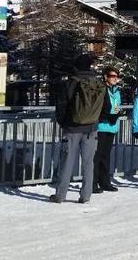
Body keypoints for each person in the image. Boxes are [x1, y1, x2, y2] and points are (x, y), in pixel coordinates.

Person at [50, 54, 106, 204]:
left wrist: (63, 122)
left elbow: (61, 105)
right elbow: (105, 106)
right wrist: (96, 120)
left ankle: (60, 195)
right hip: (92, 129)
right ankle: (86, 195)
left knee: (67, 162)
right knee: (88, 163)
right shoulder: (97, 83)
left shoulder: (70, 83)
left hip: (72, 128)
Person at [92, 66, 122, 194]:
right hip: (101, 126)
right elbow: (99, 108)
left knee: (106, 156)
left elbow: (116, 106)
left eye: (116, 76)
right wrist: (109, 116)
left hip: (112, 126)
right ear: (106, 77)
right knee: (97, 156)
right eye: (112, 76)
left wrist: (118, 113)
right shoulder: (101, 89)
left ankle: (105, 182)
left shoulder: (116, 91)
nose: (115, 79)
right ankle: (93, 183)